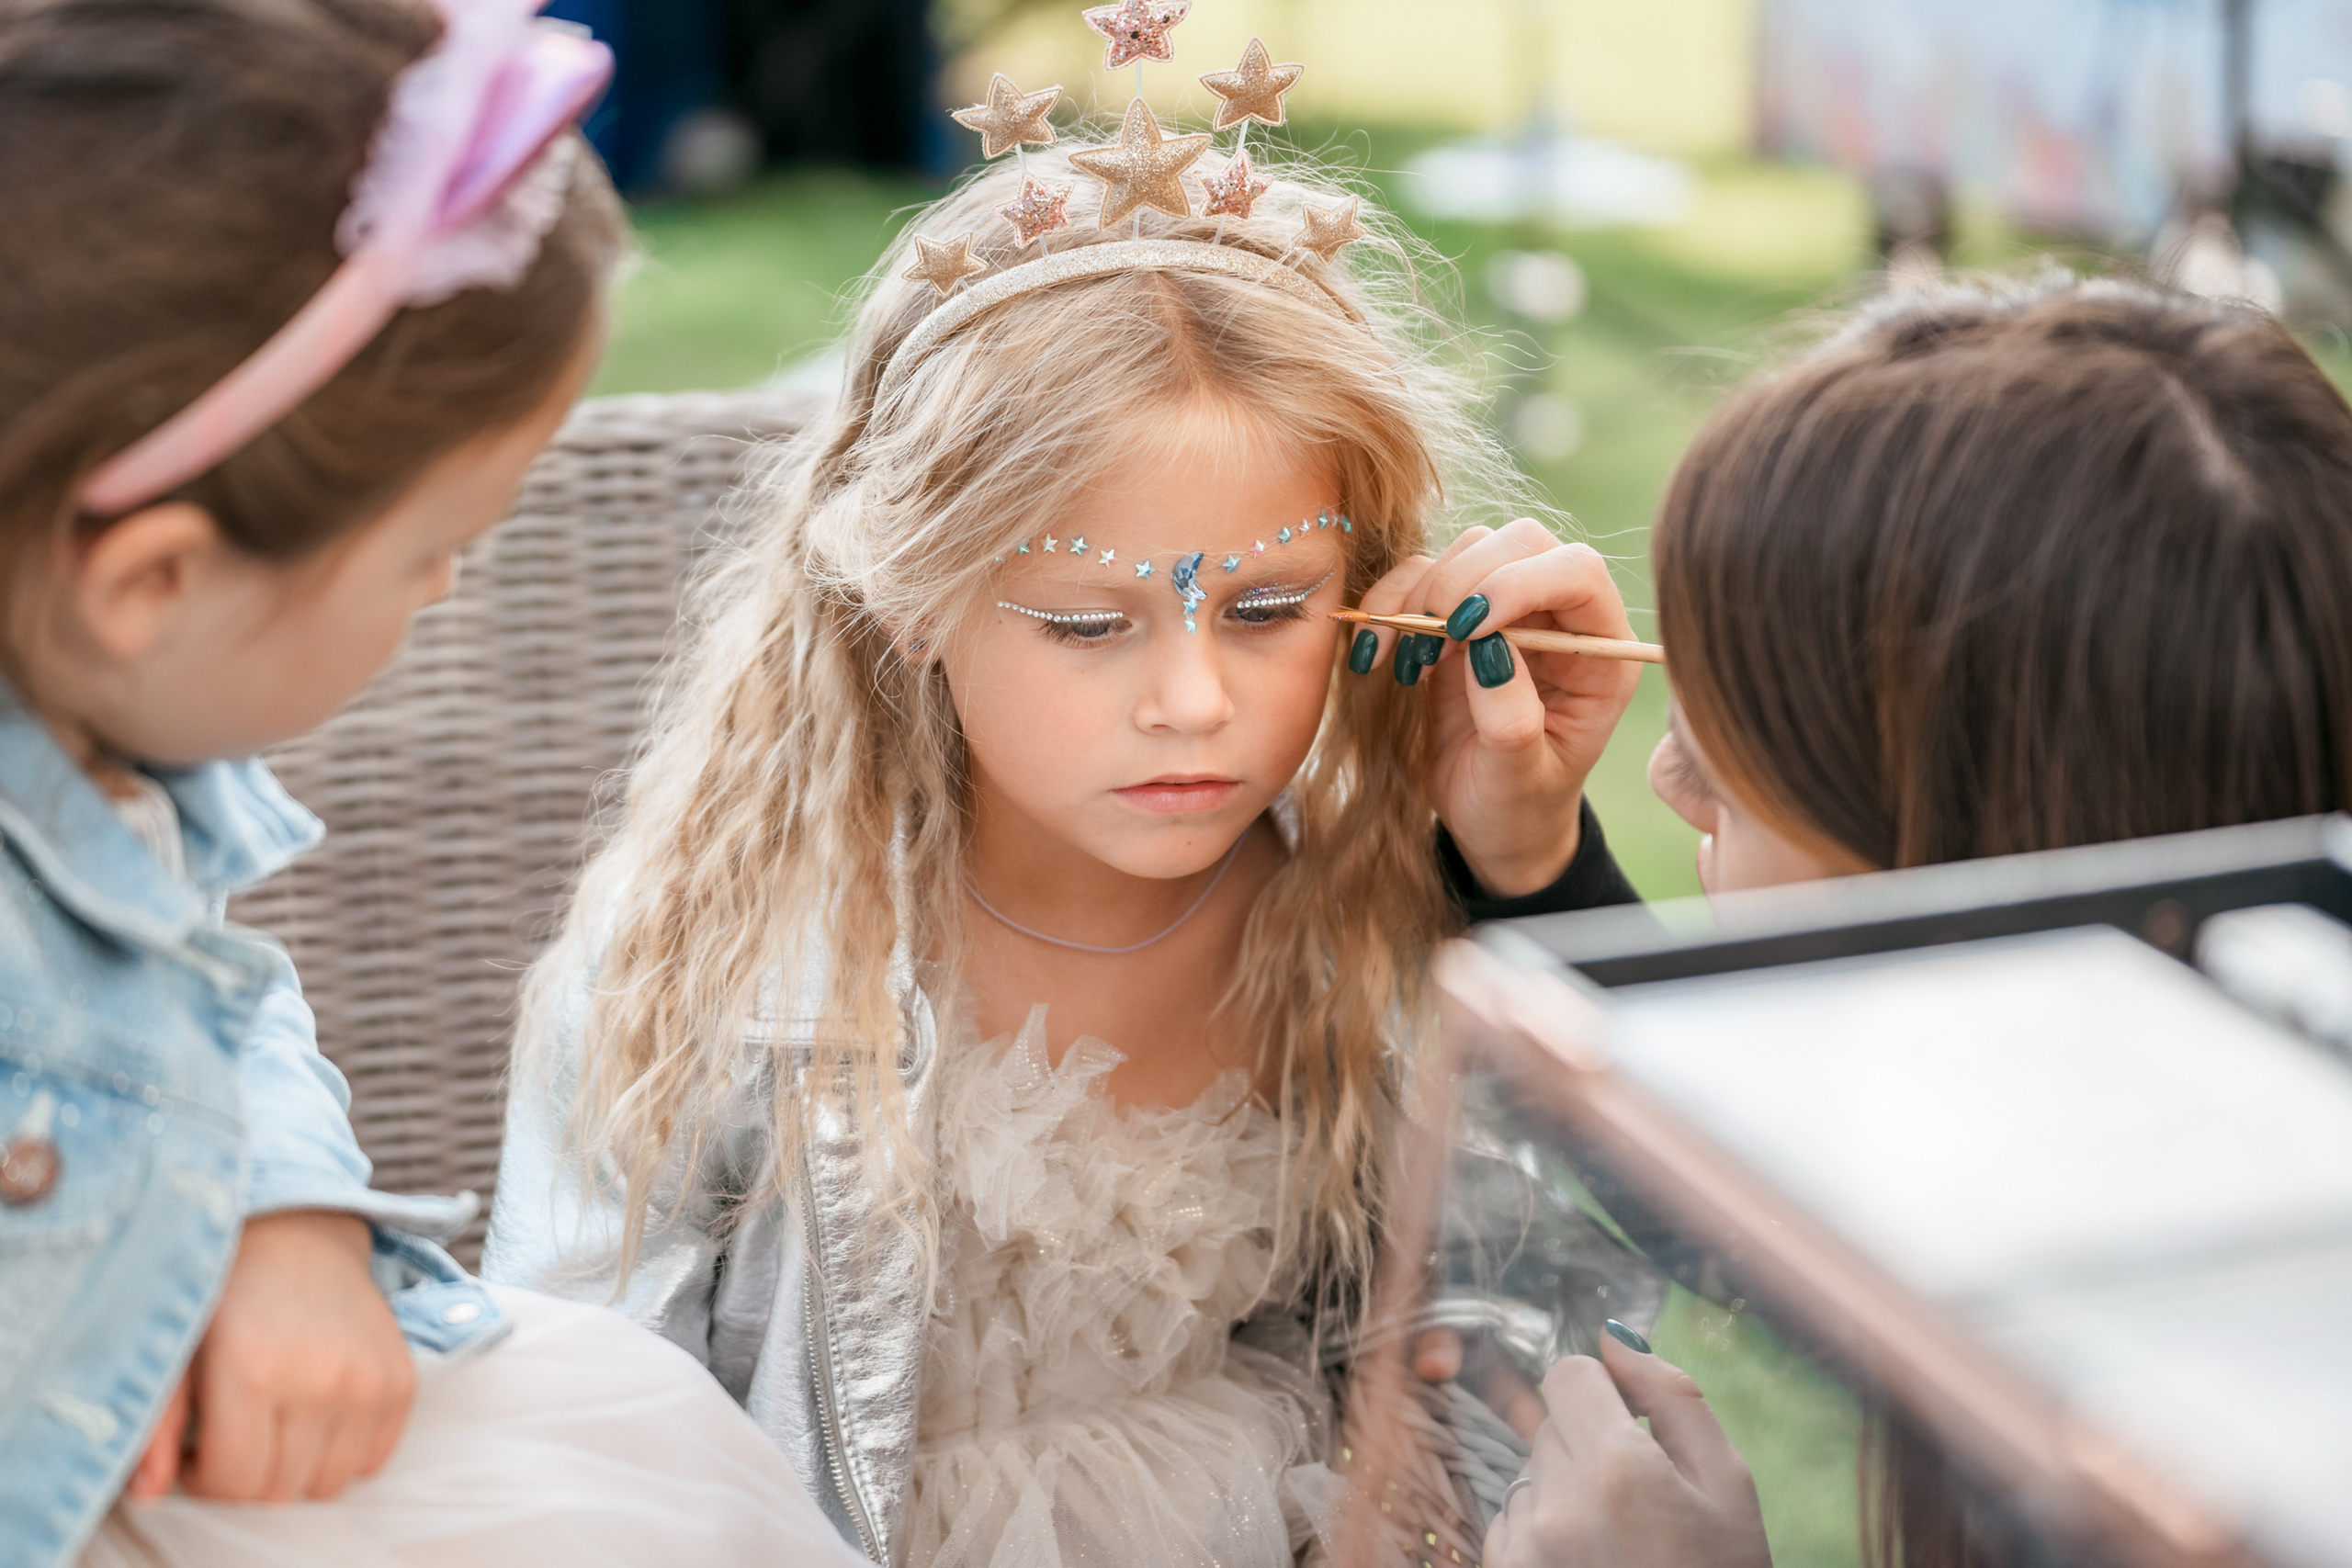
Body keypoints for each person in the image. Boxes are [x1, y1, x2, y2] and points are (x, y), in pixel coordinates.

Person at [483, 109, 1649, 1565]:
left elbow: (1656, 1278)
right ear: (910, 596)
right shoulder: (721, 960)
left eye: (1267, 609)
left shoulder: (1362, 898)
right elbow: (575, 1425)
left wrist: (1525, 867)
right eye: (1090, 624)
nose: (1192, 702)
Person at [0, 4, 869, 1564]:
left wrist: (280, 1210)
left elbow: (200, 1005)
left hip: (191, 1419)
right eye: (428, 550)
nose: (455, 585)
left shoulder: (106, 759)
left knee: (649, 1457)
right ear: (150, 585)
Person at [1479, 273, 2352, 1568]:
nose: (1669, 781)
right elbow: (1777, 1236)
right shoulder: (2197, 1163)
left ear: (1967, 866)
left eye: (1742, 757)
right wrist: (1533, 862)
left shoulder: (2237, 1471)